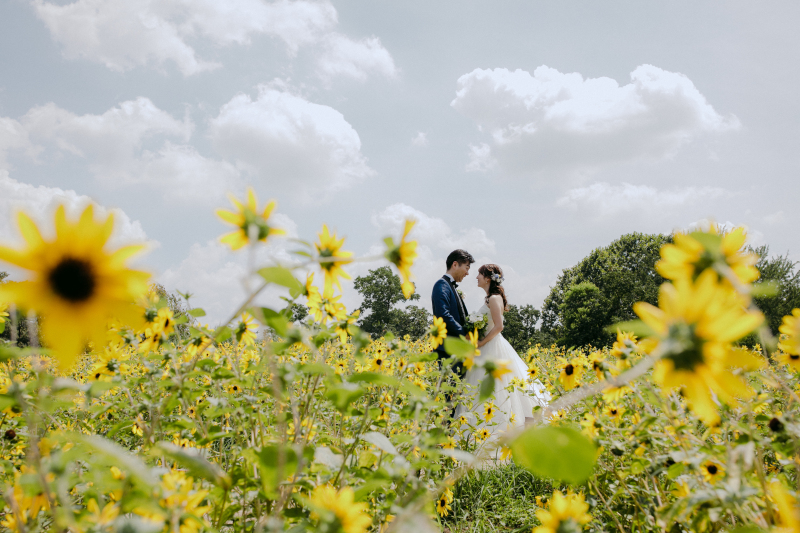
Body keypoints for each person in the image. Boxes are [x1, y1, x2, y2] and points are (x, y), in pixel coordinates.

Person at [457, 263, 550, 443]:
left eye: (479, 274)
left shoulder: (493, 298)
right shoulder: (491, 297)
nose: (476, 277)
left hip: (491, 347)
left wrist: (482, 341)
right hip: (488, 346)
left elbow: (499, 326)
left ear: (488, 278)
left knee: (495, 390)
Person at [431, 249, 474, 378]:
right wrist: (463, 333)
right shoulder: (441, 285)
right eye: (466, 268)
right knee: (450, 393)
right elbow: (442, 314)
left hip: (457, 349)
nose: (467, 273)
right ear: (455, 265)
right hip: (448, 349)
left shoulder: (450, 286)